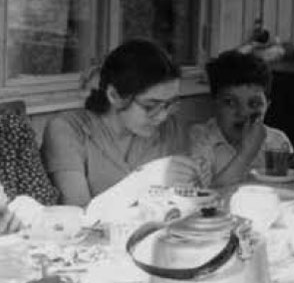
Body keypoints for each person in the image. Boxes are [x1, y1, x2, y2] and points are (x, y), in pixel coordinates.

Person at [41, 39, 200, 207]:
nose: (162, 116)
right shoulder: (68, 129)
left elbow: (180, 204)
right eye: (150, 107)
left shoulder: (169, 128)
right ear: (114, 96)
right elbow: (78, 213)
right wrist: (147, 178)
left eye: (169, 104)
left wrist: (194, 181)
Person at [190, 50, 294, 188]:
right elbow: (202, 194)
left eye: (254, 104)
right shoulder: (200, 138)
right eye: (230, 102)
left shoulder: (277, 141)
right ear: (215, 105)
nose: (243, 113)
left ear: (267, 106)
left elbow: (288, 190)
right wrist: (247, 152)